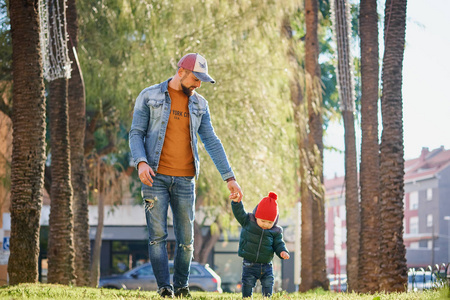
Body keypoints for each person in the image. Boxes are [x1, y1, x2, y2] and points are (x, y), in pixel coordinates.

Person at [129, 53, 243, 298]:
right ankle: (164, 288)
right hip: (154, 177)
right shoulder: (149, 96)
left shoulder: (200, 104)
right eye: (196, 78)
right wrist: (140, 162)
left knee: (186, 239)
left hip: (185, 180)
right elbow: (136, 133)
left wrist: (229, 178)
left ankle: (181, 287)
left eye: (202, 80)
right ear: (181, 71)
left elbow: (211, 141)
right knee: (157, 237)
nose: (199, 84)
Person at [230, 191, 290, 298]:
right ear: (257, 215)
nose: (266, 225)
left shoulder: (275, 231)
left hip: (267, 265)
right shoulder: (248, 221)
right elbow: (239, 212)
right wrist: (236, 202)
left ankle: (267, 297)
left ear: (274, 221)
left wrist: (283, 251)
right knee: (248, 283)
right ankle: (247, 297)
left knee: (268, 283)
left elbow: (279, 243)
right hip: (249, 264)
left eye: (270, 223)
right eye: (263, 221)